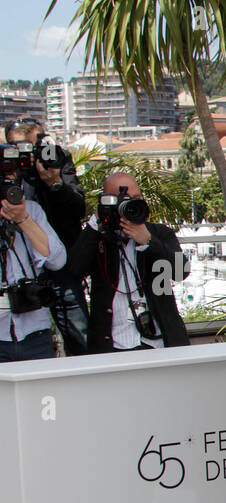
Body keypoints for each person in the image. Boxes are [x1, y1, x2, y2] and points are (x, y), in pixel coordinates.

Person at [67, 172, 190, 352]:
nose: (130, 204)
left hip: (159, 343)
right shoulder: (98, 239)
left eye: (136, 198)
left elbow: (181, 271)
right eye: (122, 199)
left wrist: (148, 241)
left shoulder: (159, 233)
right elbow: (75, 270)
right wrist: (96, 224)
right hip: (113, 345)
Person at [5, 118, 90, 355]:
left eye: (32, 146)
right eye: (19, 148)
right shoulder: (9, 168)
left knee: (80, 335)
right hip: (22, 267)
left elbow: (78, 209)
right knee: (25, 337)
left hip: (60, 260)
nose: (28, 154)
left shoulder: (56, 160)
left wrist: (54, 182)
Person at [0, 190, 64, 362]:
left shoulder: (31, 210)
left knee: (44, 389)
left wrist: (23, 219)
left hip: (35, 333)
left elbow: (57, 261)